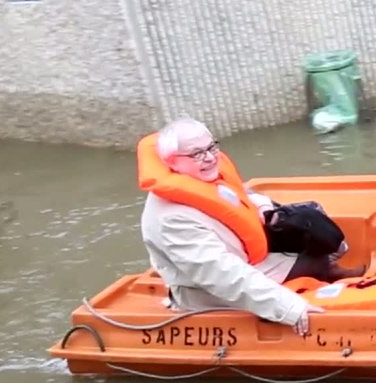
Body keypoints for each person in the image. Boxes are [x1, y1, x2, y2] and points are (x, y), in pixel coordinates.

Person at [137, 118, 322, 335]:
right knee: (313, 263)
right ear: (171, 161)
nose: (209, 158)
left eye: (211, 148)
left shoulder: (201, 178)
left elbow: (243, 195)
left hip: (243, 259)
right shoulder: (172, 219)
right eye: (196, 153)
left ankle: (336, 276)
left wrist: (263, 207)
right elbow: (221, 274)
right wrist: (288, 307)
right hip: (206, 290)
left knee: (315, 232)